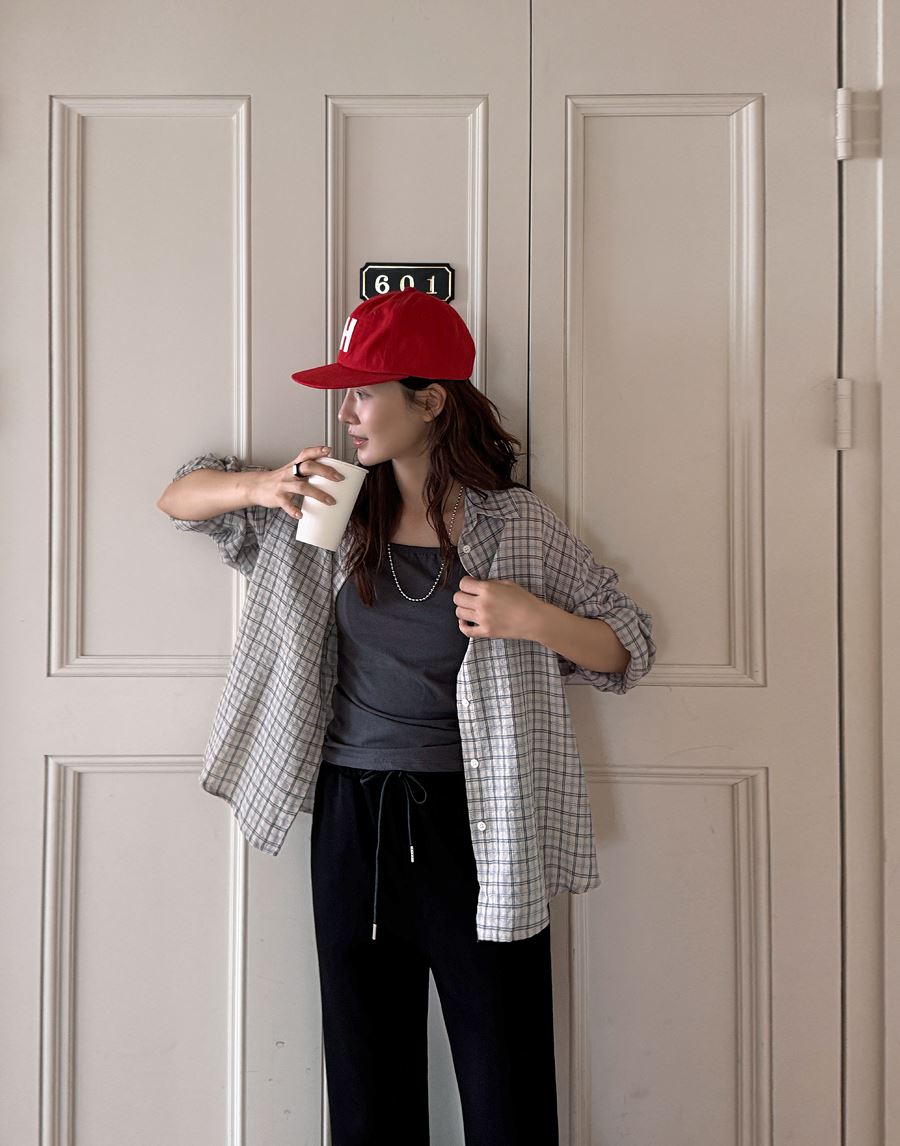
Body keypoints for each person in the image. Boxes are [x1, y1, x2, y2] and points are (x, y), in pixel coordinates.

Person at [157, 288, 656, 1146]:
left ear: (430, 402)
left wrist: (533, 618)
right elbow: (178, 498)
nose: (346, 412)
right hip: (355, 821)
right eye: (345, 393)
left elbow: (628, 647)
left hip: (483, 825)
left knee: (506, 1088)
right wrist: (263, 485)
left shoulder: (515, 525)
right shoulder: (327, 508)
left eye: (364, 392)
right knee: (367, 1091)